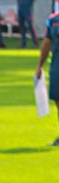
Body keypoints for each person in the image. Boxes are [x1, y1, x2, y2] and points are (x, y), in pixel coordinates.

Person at [37, 7, 59, 145]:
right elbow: (46, 43)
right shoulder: (53, 20)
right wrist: (39, 65)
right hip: (57, 65)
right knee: (57, 100)